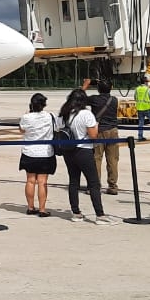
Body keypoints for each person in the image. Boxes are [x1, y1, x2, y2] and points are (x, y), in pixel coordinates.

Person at [58, 88, 111, 223]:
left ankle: (75, 212)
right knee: (93, 183)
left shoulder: (63, 114)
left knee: (73, 181)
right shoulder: (86, 114)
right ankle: (100, 215)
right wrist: (96, 125)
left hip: (68, 151)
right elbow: (93, 135)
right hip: (84, 150)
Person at [18, 92, 56, 216]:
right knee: (42, 182)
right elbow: (59, 126)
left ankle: (30, 207)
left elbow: (22, 129)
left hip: (29, 152)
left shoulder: (27, 117)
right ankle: (42, 209)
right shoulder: (50, 116)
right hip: (45, 153)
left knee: (30, 180)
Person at [86, 79, 121, 195]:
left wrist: (86, 85)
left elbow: (78, 98)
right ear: (111, 88)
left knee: (96, 159)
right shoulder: (114, 100)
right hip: (113, 131)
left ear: (98, 89)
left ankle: (95, 185)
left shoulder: (94, 99)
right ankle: (113, 186)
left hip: (99, 130)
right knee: (113, 159)